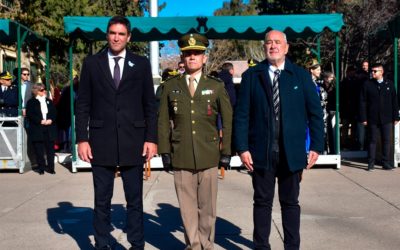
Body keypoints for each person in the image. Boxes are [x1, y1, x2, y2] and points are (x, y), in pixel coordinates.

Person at [234, 30, 324, 250]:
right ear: (264, 47)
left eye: (277, 42)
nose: (272, 46)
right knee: (262, 203)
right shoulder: (251, 76)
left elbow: (315, 114)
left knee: (290, 203)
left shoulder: (301, 76)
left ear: (286, 47)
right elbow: (242, 115)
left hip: (291, 153)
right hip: (261, 153)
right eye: (268, 43)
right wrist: (242, 147)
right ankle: (261, 246)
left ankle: (292, 246)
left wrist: (316, 146)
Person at [75, 16, 157, 250]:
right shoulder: (92, 63)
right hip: (101, 142)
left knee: (135, 200)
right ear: (107, 34)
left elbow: (149, 105)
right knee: (102, 200)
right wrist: (82, 138)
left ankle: (137, 244)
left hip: (134, 141)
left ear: (128, 37)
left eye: (121, 34)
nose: (116, 37)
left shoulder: (140, 64)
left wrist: (151, 138)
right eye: (112, 33)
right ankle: (101, 245)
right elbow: (83, 104)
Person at [158, 33, 233, 250]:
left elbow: (227, 121)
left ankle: (206, 245)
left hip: (209, 154)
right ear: (182, 57)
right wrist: (165, 151)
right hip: (180, 154)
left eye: (197, 54)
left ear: (204, 58)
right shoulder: (170, 86)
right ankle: (193, 245)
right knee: (187, 207)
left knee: (207, 208)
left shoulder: (216, 86)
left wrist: (226, 151)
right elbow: (163, 121)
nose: (192, 57)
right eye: (188, 53)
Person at [360, 63, 399, 171]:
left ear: (381, 72)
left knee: (386, 140)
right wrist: (363, 118)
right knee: (372, 140)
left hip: (387, 118)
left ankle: (385, 162)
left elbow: (394, 101)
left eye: (375, 71)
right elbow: (362, 102)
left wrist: (396, 116)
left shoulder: (389, 84)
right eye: (372, 71)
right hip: (372, 118)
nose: (372, 73)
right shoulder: (367, 84)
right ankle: (371, 163)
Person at [26, 83, 57, 175]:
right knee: (39, 149)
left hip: (49, 127)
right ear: (36, 91)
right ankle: (41, 168)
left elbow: (54, 112)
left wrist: (50, 119)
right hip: (37, 128)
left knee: (50, 149)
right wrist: (40, 121)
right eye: (42, 90)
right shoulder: (31, 102)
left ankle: (51, 168)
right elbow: (30, 114)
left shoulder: (48, 101)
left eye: (44, 89)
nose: (44, 91)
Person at [308, 59, 328, 153]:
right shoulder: (308, 83)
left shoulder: (317, 83)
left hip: (319, 111)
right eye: (318, 69)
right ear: (311, 70)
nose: (320, 71)